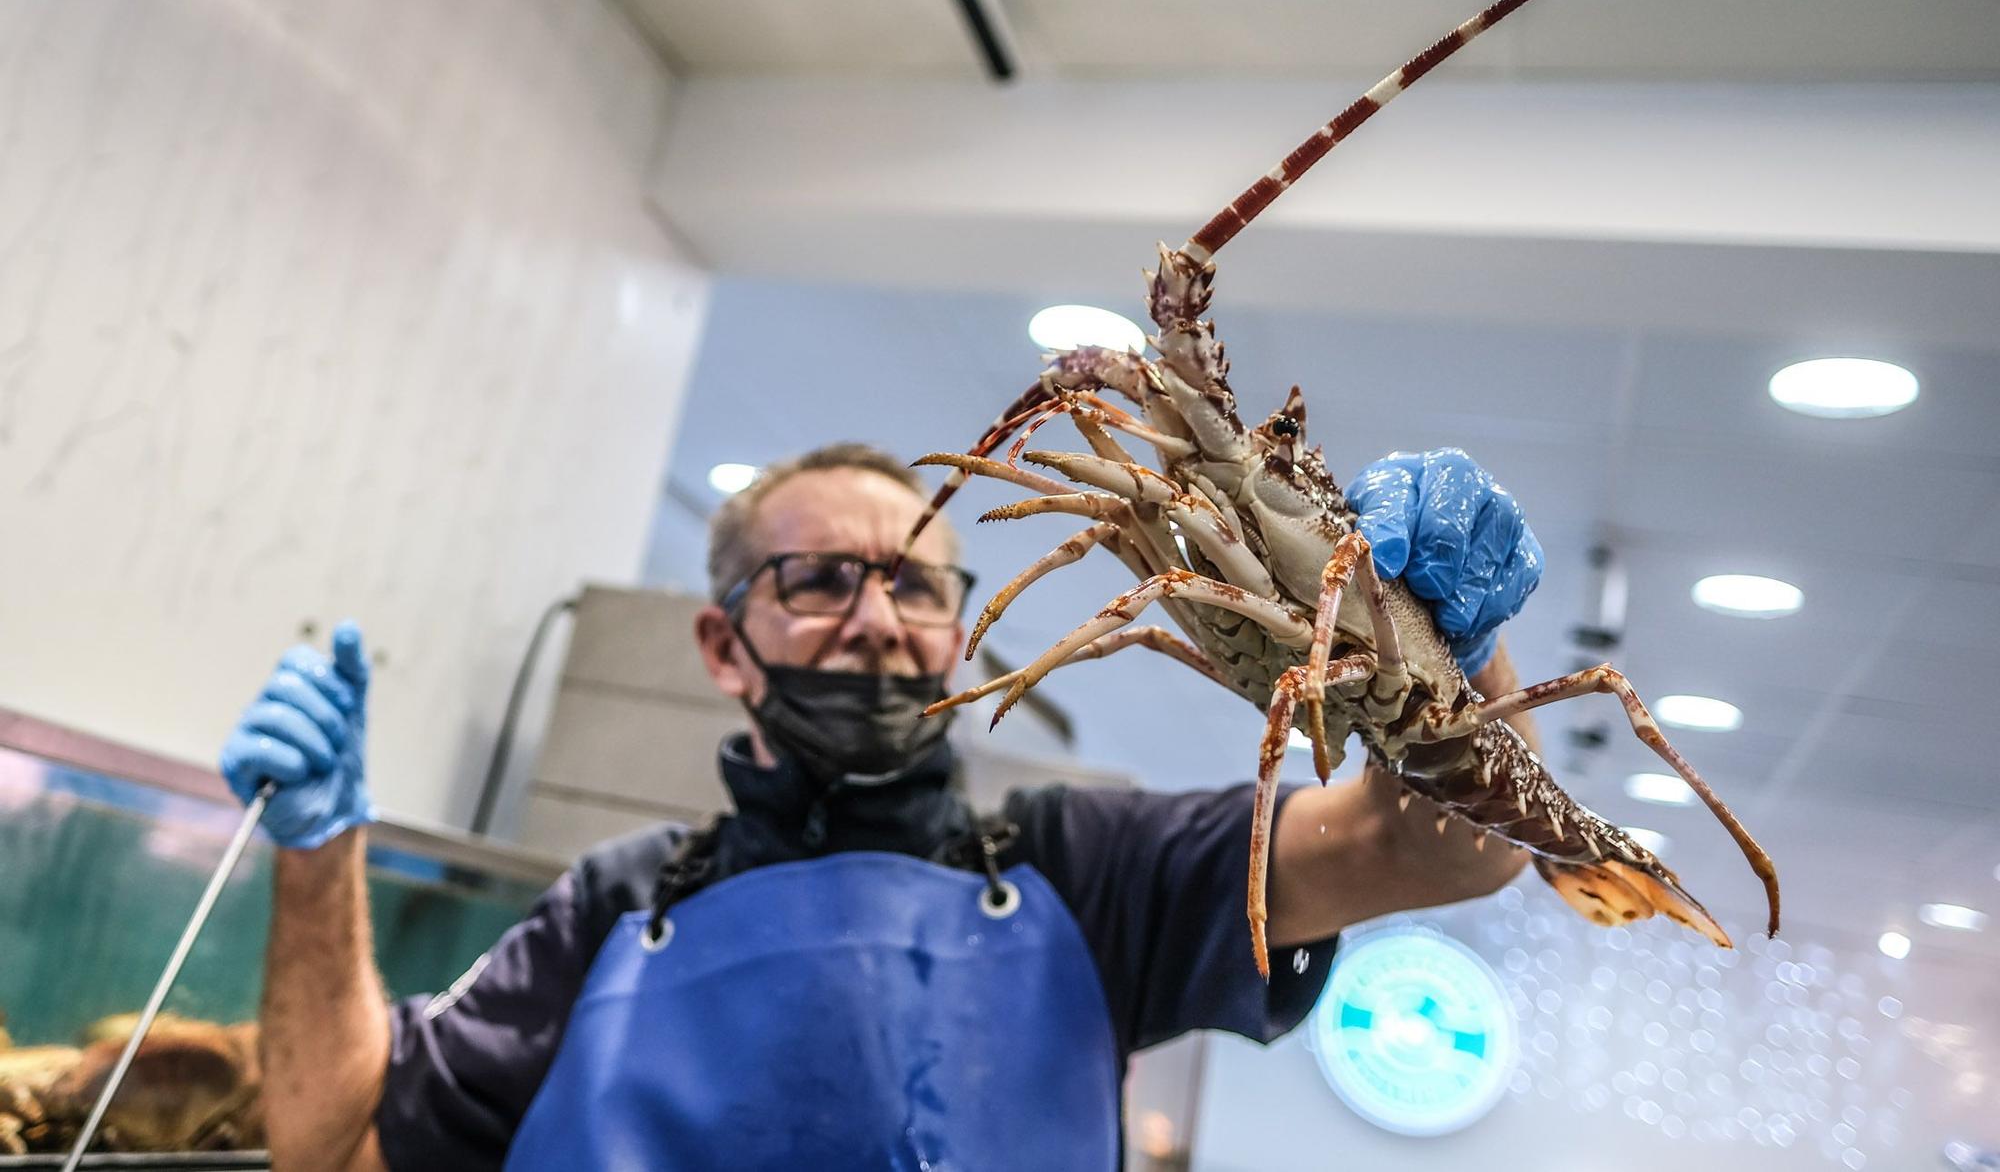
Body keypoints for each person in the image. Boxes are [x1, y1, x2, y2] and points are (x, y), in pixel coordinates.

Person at [220, 441, 1544, 1171]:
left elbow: (1457, 846)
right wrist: (319, 851)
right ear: (723, 644)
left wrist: (1440, 635)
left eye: (917, 586)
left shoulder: (1093, 865)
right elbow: (335, 1144)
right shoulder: (616, 904)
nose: (877, 620)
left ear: (960, 632)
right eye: (819, 578)